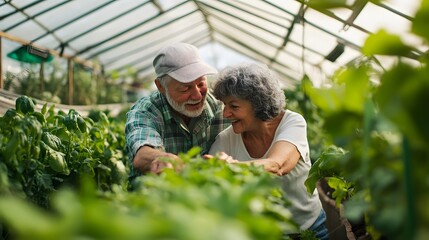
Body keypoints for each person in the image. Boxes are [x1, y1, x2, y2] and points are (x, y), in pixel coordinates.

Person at [204, 63, 329, 239]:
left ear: (257, 104)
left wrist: (234, 166)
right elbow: (212, 179)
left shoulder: (292, 122)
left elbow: (278, 165)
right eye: (225, 105)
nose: (226, 114)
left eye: (234, 106)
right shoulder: (226, 139)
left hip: (310, 228)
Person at [125, 42, 229, 177]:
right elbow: (143, 154)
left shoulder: (221, 105)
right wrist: (165, 160)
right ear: (160, 86)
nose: (197, 95)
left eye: (201, 84)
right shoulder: (147, 111)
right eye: (185, 88)